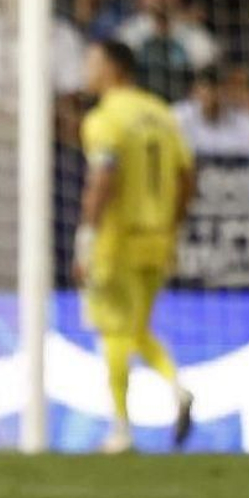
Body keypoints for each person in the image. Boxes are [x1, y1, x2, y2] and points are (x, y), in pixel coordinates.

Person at [73, 39, 196, 454]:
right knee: (138, 328)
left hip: (117, 239)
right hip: (158, 239)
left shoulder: (105, 118)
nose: (86, 69)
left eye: (91, 60)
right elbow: (186, 177)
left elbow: (103, 177)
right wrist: (171, 225)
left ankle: (120, 428)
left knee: (113, 331)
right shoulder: (162, 112)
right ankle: (178, 389)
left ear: (113, 68)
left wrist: (86, 237)